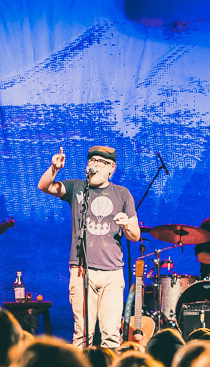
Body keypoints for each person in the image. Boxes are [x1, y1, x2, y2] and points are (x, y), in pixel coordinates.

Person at [38, 146, 140, 348]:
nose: (93, 165)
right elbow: (44, 186)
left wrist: (126, 224)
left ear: (111, 168)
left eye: (100, 162)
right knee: (82, 334)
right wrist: (54, 168)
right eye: (91, 161)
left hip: (112, 273)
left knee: (111, 335)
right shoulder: (77, 188)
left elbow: (135, 236)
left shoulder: (122, 194)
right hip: (81, 270)